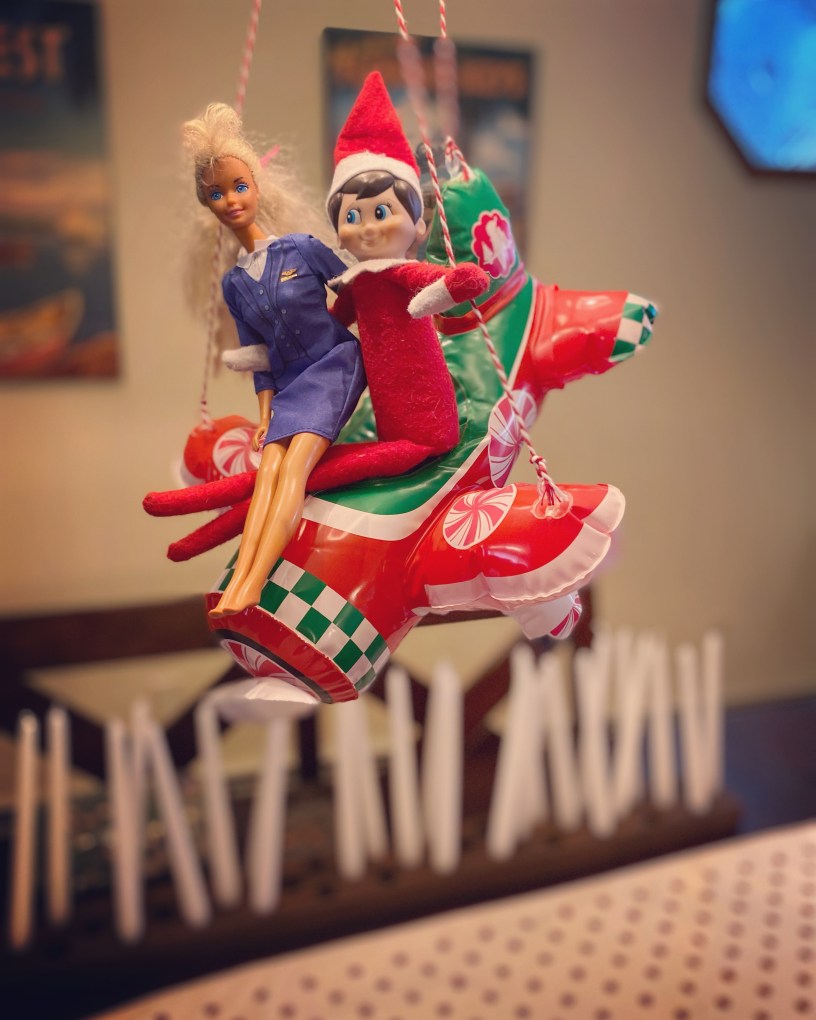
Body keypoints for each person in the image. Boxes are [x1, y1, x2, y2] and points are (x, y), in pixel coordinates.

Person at [182, 104, 365, 617]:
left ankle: (255, 583)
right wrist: (264, 415)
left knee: (293, 470)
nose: (230, 200)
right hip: (287, 387)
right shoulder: (234, 284)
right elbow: (260, 356)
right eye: (216, 194)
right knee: (268, 472)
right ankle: (237, 582)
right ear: (206, 204)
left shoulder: (301, 250)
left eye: (239, 186)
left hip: (333, 366)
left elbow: (355, 290)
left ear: (257, 188)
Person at [305, 72, 489, 492]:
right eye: (352, 217)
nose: (368, 227)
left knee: (314, 479)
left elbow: (464, 280)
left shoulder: (400, 274)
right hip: (389, 424)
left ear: (419, 224)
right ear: (338, 233)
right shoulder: (357, 284)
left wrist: (441, 292)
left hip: (427, 429)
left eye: (381, 212)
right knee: (310, 474)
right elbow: (330, 327)